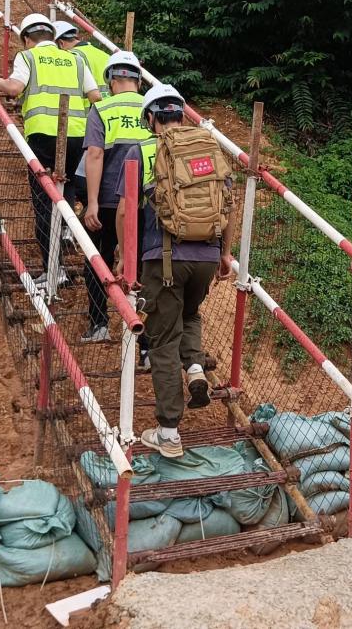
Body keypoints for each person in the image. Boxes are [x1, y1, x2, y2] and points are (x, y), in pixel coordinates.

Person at [115, 83, 235, 458]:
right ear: (181, 115)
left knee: (163, 341)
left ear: (150, 118)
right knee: (190, 313)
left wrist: (125, 257)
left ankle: (168, 433)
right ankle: (195, 368)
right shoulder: (209, 148)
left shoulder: (140, 151)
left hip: (164, 259)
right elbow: (228, 205)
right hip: (206, 257)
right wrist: (225, 254)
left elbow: (125, 211)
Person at [0, 12, 100, 285]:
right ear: (53, 37)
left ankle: (54, 269)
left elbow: (13, 88)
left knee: (44, 202)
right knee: (65, 189)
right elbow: (95, 95)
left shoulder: (28, 57)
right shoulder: (76, 59)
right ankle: (67, 234)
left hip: (42, 136)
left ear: (27, 39)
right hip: (75, 136)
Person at [80, 50, 154, 368]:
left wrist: (92, 202)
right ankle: (147, 347)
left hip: (111, 199)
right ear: (138, 79)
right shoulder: (153, 108)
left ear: (111, 80)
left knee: (97, 259)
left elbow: (95, 155)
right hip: (148, 203)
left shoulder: (102, 108)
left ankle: (99, 323)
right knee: (144, 270)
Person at [55, 20, 110, 99]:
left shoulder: (72, 58)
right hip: (110, 105)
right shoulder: (104, 55)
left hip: (88, 106)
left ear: (61, 43)